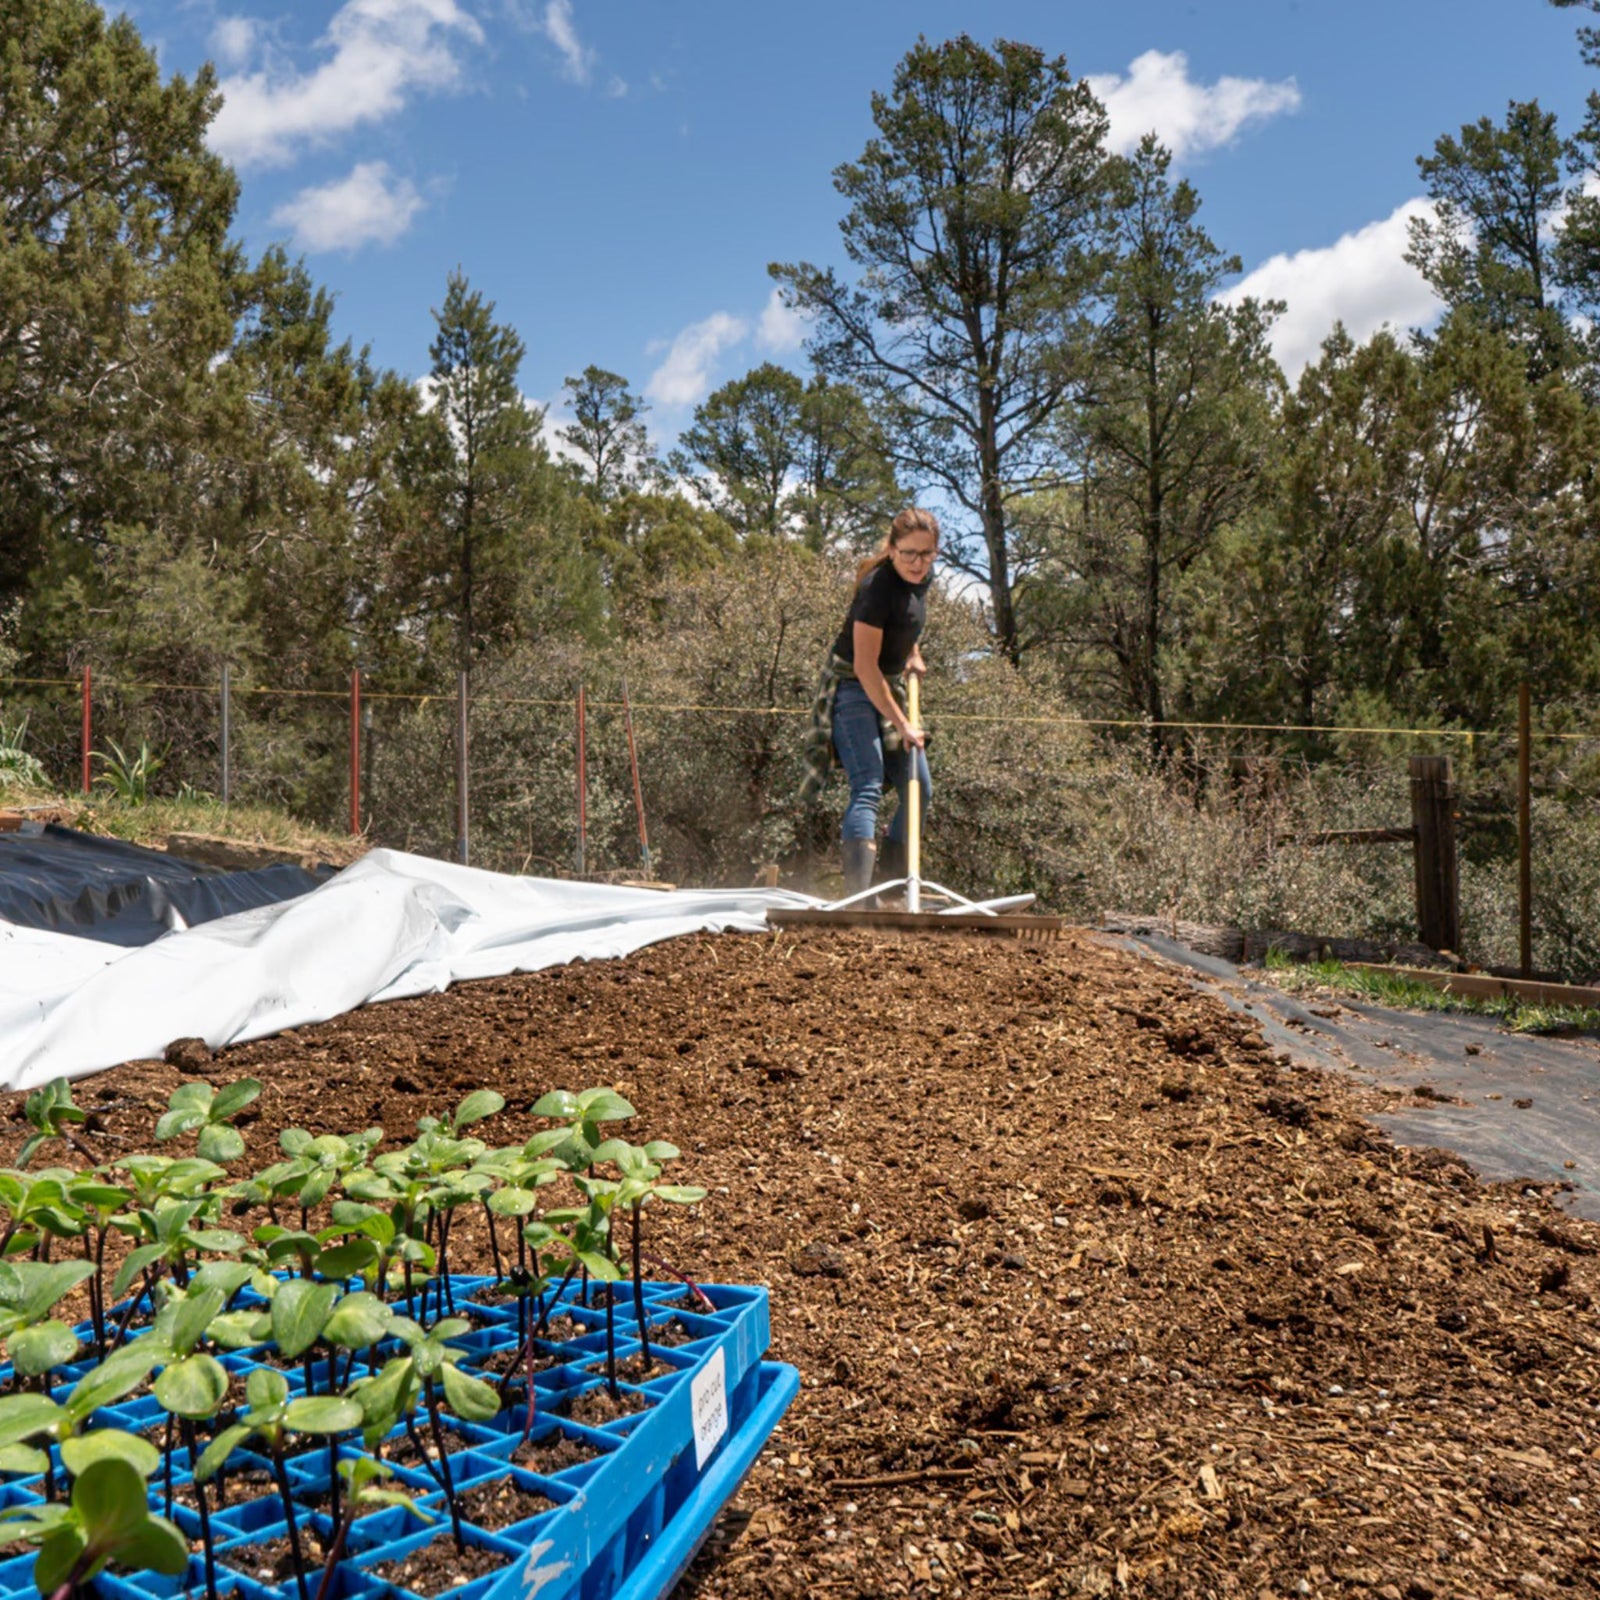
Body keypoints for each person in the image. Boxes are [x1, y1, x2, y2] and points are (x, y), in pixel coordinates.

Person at [803, 508, 938, 898]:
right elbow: (864, 667)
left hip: (885, 684)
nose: (917, 563)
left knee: (919, 789)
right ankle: (859, 899)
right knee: (868, 784)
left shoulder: (921, 579)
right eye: (909, 553)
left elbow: (906, 618)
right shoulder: (876, 588)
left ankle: (890, 892)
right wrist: (902, 725)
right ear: (893, 549)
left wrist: (912, 652)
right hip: (853, 687)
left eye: (926, 554)